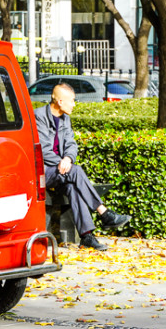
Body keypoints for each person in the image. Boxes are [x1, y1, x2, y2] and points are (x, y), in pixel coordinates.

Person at [35, 83, 131, 251]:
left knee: (73, 186)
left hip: (62, 171)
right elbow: (42, 149)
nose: (74, 104)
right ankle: (104, 213)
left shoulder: (65, 118)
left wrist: (68, 158)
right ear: (59, 101)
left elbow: (72, 144)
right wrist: (62, 162)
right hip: (43, 172)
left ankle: (86, 236)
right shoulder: (39, 116)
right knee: (76, 171)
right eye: (71, 100)